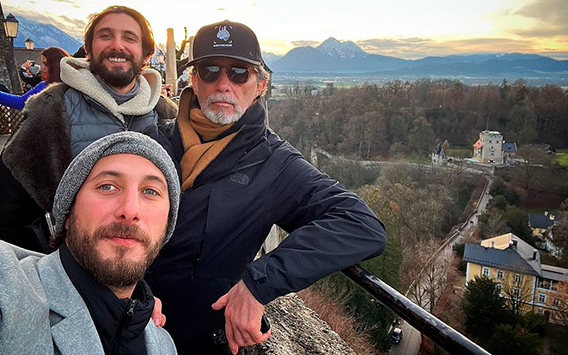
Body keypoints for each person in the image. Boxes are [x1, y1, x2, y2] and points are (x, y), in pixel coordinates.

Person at [146, 20, 387, 355]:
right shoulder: (151, 143)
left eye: (240, 73)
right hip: (124, 324)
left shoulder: (275, 164)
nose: (224, 84)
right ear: (194, 80)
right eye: (210, 70)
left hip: (195, 342)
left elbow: (362, 226)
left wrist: (259, 282)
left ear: (260, 84)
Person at [0, 5, 177, 253]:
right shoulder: (49, 112)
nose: (117, 45)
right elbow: (6, 218)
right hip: (70, 270)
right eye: (106, 36)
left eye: (129, 38)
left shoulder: (166, 115)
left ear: (146, 54)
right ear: (89, 49)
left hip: (148, 272)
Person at [0, 131, 181, 354]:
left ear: (167, 225)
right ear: (68, 214)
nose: (130, 210)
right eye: (107, 186)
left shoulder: (163, 345)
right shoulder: (1, 290)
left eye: (150, 191)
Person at [0, 47, 70, 110]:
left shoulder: (73, 86)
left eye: (46, 64)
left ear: (56, 66)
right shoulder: (43, 86)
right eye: (42, 63)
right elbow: (21, 102)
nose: (42, 67)